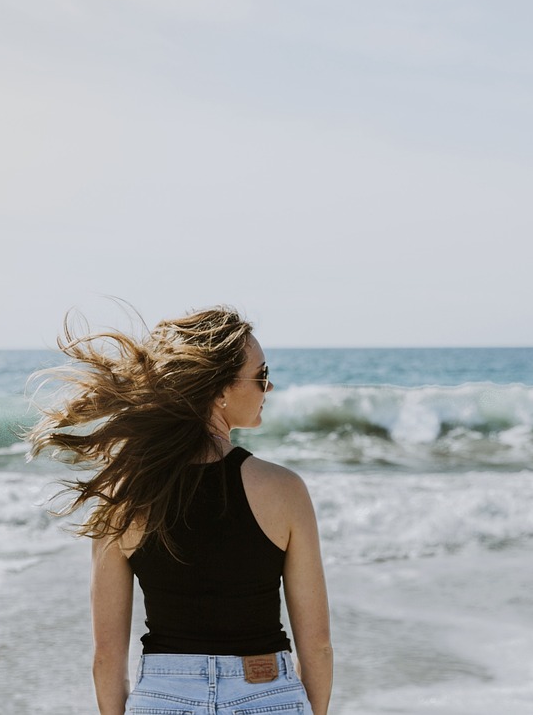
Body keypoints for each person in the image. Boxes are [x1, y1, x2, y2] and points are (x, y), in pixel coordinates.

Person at [28, 305, 332, 715]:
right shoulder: (284, 490)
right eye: (261, 375)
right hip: (267, 693)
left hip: (162, 696)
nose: (269, 386)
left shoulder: (124, 495)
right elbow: (317, 645)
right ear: (221, 391)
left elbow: (106, 659)